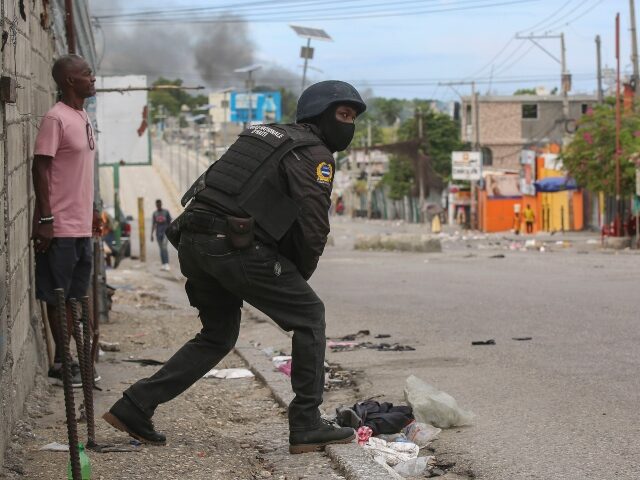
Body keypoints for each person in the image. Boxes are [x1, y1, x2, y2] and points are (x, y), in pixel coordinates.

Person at [103, 80, 366, 454]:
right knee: (309, 316)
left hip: (194, 240)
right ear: (319, 115)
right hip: (232, 245)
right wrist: (297, 279)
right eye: (343, 115)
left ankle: (134, 405)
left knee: (218, 335)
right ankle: (306, 422)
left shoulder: (263, 136)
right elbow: (313, 225)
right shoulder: (315, 154)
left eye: (353, 117)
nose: (348, 124)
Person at [32, 54, 98, 387]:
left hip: (81, 225)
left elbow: (81, 173)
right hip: (58, 227)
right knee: (57, 295)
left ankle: (73, 358)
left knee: (74, 295)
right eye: (87, 74)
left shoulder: (81, 115)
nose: (93, 78)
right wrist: (45, 218)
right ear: (70, 80)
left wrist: (93, 210)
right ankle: (63, 360)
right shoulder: (55, 118)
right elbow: (40, 168)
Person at [150, 199, 172, 271]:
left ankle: (167, 264)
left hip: (165, 233)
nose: (158, 206)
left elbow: (170, 222)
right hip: (158, 233)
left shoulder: (166, 212)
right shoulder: (155, 213)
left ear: (161, 204)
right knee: (161, 249)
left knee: (164, 247)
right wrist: (151, 234)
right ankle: (163, 264)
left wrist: (170, 231)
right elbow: (153, 224)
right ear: (156, 205)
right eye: (157, 205)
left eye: (159, 204)